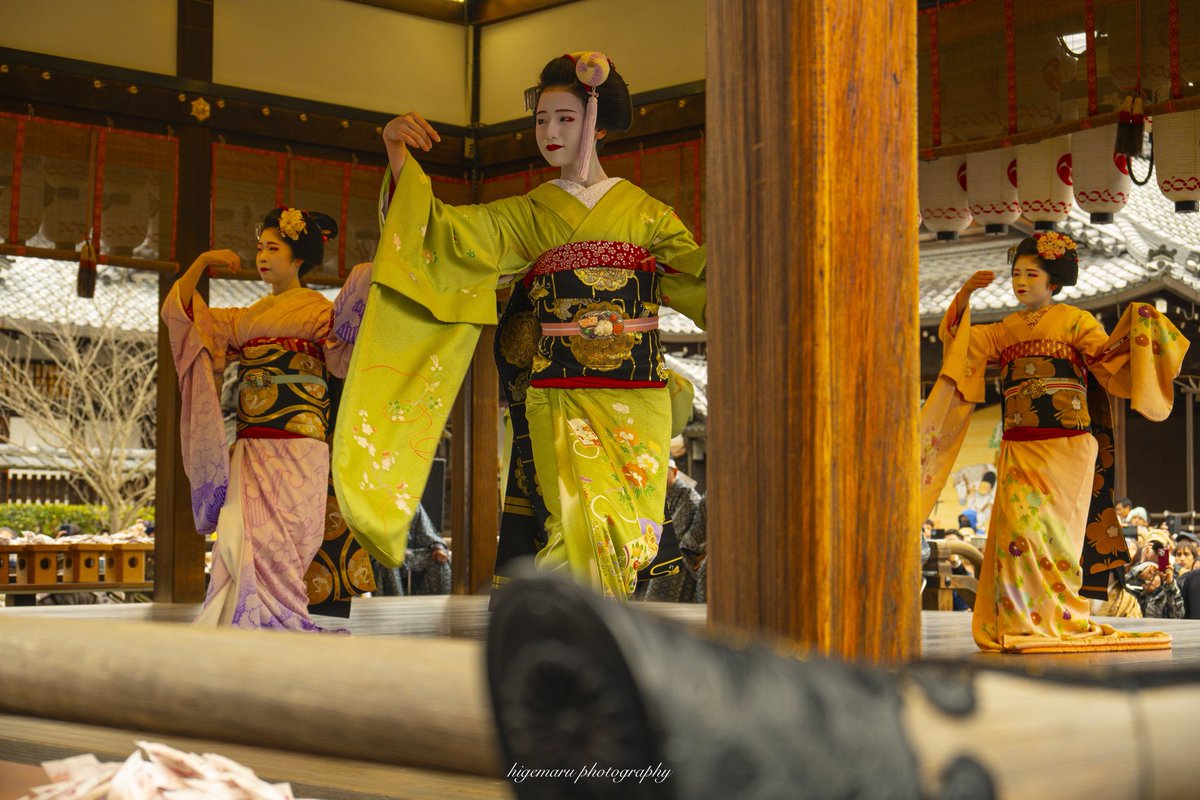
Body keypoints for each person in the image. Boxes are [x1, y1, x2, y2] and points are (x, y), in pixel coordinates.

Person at [333, 51, 706, 601]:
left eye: (565, 118)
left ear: (597, 125)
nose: (550, 132)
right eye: (541, 120)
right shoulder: (528, 214)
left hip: (638, 395)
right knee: (571, 523)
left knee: (631, 534)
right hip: (556, 392)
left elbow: (700, 279)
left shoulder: (647, 214)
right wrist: (396, 154)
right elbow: (441, 236)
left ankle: (596, 641)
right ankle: (567, 640)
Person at [919, 232, 1189, 653]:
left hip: (1067, 446)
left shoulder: (1076, 321)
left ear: (1053, 283)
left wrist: (1139, 325)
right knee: (1018, 536)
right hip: (1019, 444)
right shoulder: (1005, 329)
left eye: (1031, 274)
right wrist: (966, 295)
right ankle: (1019, 619)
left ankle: (1056, 616)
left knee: (1054, 539)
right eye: (1016, 274)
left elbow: (1104, 358)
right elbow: (961, 345)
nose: (1020, 281)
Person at [162, 207, 371, 631]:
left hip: (299, 443)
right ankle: (241, 616)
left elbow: (351, 332)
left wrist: (373, 270)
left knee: (286, 541)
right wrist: (201, 263)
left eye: (273, 248)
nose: (262, 256)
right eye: (260, 248)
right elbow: (183, 315)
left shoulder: (318, 312)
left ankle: (283, 616)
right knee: (242, 539)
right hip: (253, 445)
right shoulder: (243, 318)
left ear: (299, 258)